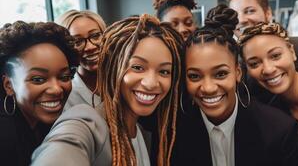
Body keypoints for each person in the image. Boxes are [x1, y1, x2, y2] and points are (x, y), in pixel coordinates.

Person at [31, 14, 184, 166]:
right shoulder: (88, 122)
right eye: (137, 67)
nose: (151, 83)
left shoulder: (142, 132)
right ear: (113, 67)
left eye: (164, 71)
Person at [171, 5, 298, 166]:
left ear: (238, 72)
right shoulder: (174, 133)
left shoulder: (280, 130)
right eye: (194, 76)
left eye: (220, 74)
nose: (208, 87)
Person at [0, 21, 78, 166]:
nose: (56, 89)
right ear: (9, 85)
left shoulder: (43, 119)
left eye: (64, 77)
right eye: (38, 79)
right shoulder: (4, 137)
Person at [238, 22, 298, 166]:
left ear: (292, 52)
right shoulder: (271, 114)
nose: (268, 69)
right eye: (254, 64)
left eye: (275, 56)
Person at [56, 10, 106, 110]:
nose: (90, 47)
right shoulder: (65, 94)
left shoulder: (123, 78)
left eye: (95, 36)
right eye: (77, 41)